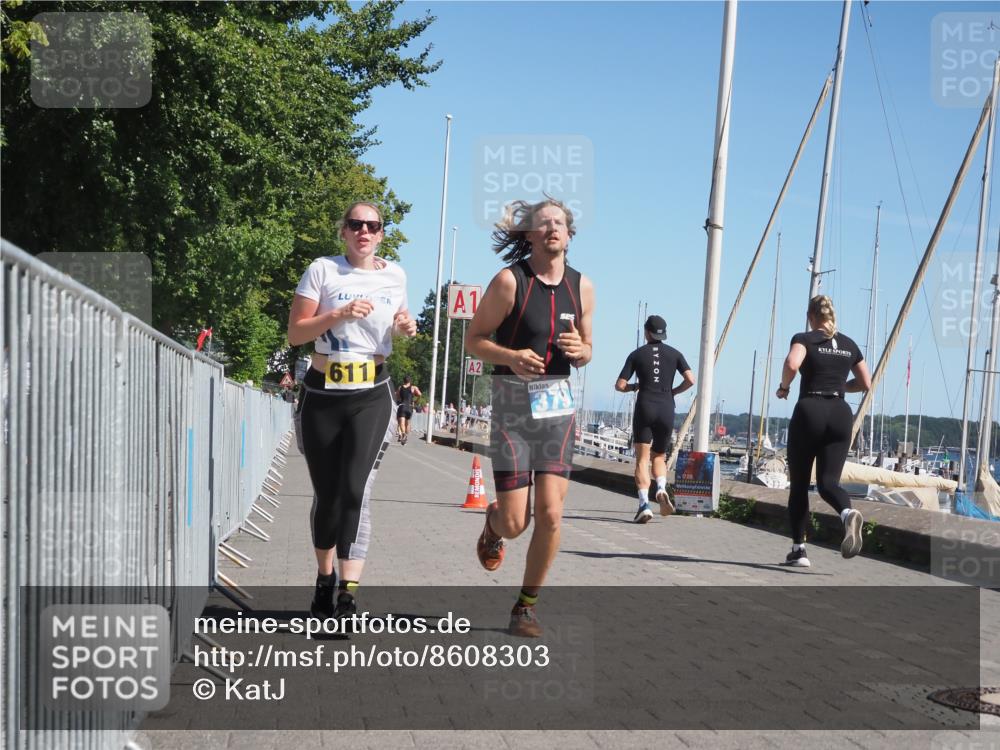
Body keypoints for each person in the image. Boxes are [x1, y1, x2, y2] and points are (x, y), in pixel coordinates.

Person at [466, 197, 594, 638]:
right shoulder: (509, 282)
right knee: (517, 523)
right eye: (543, 224)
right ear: (529, 234)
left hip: (557, 407)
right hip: (512, 406)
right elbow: (475, 340)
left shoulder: (584, 287)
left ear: (569, 234)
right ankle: (494, 522)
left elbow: (587, 349)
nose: (552, 229)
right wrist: (511, 356)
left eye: (560, 223)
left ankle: (525, 606)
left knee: (553, 514)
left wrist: (582, 352)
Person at [287, 201, 417, 620]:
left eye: (372, 225)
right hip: (323, 392)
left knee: (356, 491)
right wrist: (338, 313)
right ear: (343, 231)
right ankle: (324, 581)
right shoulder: (323, 269)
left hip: (372, 393)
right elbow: (295, 333)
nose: (364, 231)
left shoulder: (395, 275)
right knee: (327, 496)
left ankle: (348, 594)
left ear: (381, 234)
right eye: (356, 224)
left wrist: (404, 326)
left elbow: (396, 323)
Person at [776, 295, 871, 567]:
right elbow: (865, 382)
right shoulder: (849, 344)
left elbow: (791, 364)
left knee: (800, 486)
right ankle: (847, 513)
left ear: (810, 316)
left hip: (810, 410)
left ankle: (799, 550)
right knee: (829, 483)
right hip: (841, 413)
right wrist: (842, 387)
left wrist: (784, 387)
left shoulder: (804, 339)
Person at [615, 315, 695, 523]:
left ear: (646, 332)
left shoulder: (636, 354)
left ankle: (644, 505)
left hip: (645, 407)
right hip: (666, 408)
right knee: (659, 457)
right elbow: (691, 379)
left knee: (642, 460)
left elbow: (620, 385)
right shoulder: (675, 354)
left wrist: (636, 386)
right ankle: (660, 487)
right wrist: (674, 392)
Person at [396, 375, 421, 445]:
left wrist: (400, 399)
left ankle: (403, 433)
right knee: (408, 423)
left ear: (403, 381)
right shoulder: (413, 388)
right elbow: (420, 394)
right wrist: (416, 401)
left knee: (401, 422)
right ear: (410, 381)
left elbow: (397, 397)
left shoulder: (400, 387)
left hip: (402, 406)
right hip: (410, 407)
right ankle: (406, 435)